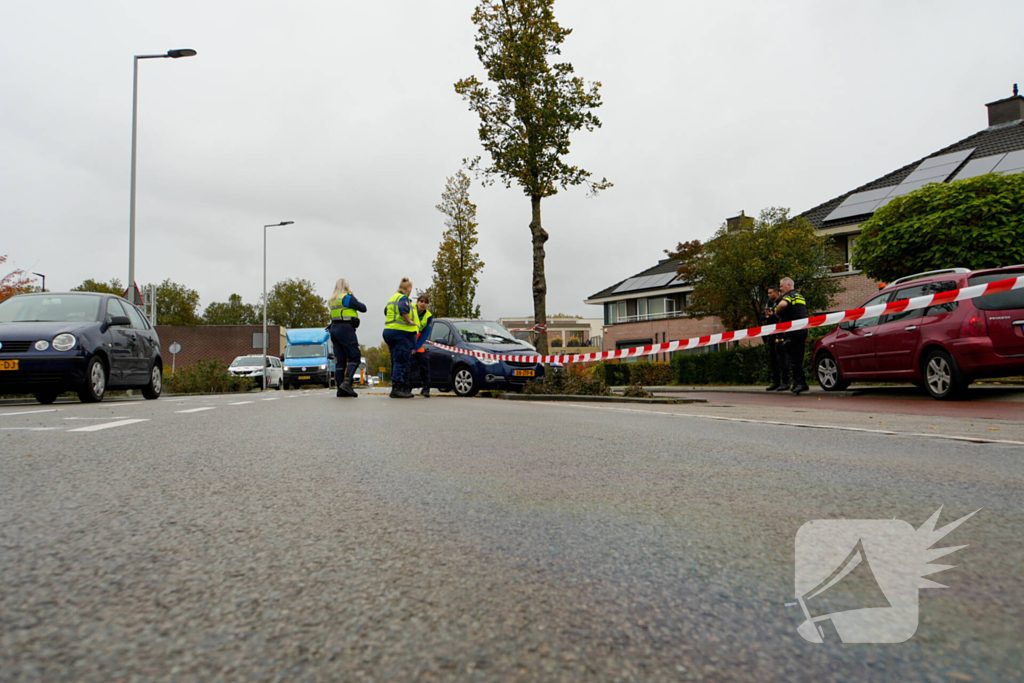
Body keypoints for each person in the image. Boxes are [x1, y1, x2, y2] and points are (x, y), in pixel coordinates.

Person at [328, 278, 367, 398]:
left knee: (341, 360)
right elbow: (363, 308)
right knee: (355, 357)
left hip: (334, 329)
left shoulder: (332, 300)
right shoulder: (347, 297)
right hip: (346, 329)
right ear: (346, 287)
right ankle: (347, 383)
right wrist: (353, 295)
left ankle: (340, 388)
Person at [383, 277, 417, 399]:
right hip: (400, 333)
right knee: (401, 361)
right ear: (408, 289)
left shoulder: (393, 298)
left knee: (395, 360)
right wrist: (409, 320)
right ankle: (397, 388)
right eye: (410, 289)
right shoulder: (403, 298)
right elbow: (403, 309)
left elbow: (386, 311)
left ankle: (397, 386)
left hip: (389, 331)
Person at [775, 277, 809, 395]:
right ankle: (800, 382)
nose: (780, 288)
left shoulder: (789, 296)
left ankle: (800, 383)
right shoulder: (800, 296)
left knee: (793, 359)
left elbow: (783, 304)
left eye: (781, 286)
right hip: (802, 329)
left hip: (793, 331)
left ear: (789, 285)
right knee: (799, 358)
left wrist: (777, 311)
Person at [762, 286, 788, 391]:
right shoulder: (769, 303)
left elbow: (783, 317)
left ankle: (786, 382)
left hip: (781, 334)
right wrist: (766, 316)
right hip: (771, 334)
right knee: (773, 359)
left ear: (777, 293)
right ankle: (776, 382)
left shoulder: (782, 302)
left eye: (770, 293)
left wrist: (772, 316)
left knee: (782, 358)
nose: (768, 295)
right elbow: (762, 315)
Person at [410, 294, 434, 397]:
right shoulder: (411, 310)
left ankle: (426, 387)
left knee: (424, 363)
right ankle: (407, 386)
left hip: (419, 343)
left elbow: (425, 334)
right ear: (417, 302)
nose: (423, 304)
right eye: (421, 301)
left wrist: (416, 348)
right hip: (408, 340)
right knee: (407, 364)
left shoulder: (428, 316)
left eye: (425, 302)